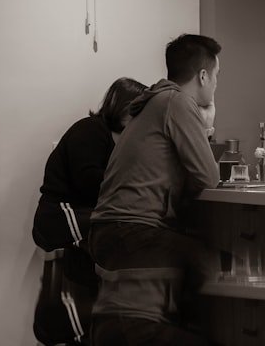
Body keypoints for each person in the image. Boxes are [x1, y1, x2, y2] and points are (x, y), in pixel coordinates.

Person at [88, 34, 221, 346]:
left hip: (109, 228)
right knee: (207, 261)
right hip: (132, 230)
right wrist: (208, 123)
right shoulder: (177, 103)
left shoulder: (150, 104)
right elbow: (208, 177)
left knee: (196, 260)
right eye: (216, 76)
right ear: (202, 76)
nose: (216, 85)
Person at [31, 77, 147, 346]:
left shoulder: (113, 139)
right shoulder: (90, 131)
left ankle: (84, 322)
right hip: (58, 213)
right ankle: (77, 323)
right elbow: (89, 183)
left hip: (75, 213)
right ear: (126, 109)